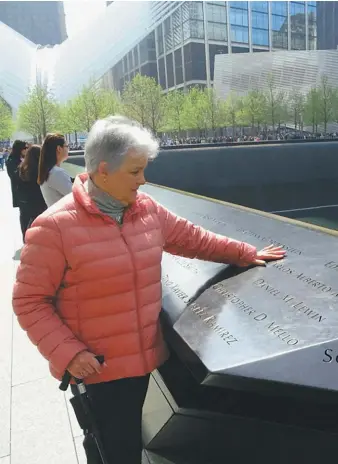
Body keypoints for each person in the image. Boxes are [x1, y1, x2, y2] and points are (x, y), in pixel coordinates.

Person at [12, 116, 285, 464]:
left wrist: (245, 253)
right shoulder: (55, 227)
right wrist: (68, 354)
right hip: (99, 371)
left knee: (125, 445)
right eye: (135, 171)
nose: (144, 179)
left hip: (144, 361)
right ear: (104, 171)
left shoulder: (145, 210)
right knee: (116, 450)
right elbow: (29, 301)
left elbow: (193, 239)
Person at [17, 145, 47, 240]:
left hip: (26, 201)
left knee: (27, 223)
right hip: (39, 201)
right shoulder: (40, 170)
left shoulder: (22, 168)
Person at [38, 133, 72, 207]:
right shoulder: (57, 173)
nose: (68, 149)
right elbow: (75, 196)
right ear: (59, 149)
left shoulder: (49, 171)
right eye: (67, 146)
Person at [6, 140, 29, 235]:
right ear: (20, 149)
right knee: (24, 215)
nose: (27, 150)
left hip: (25, 192)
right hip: (20, 192)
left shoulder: (20, 159)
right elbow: (16, 176)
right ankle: (25, 235)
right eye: (25, 148)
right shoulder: (12, 160)